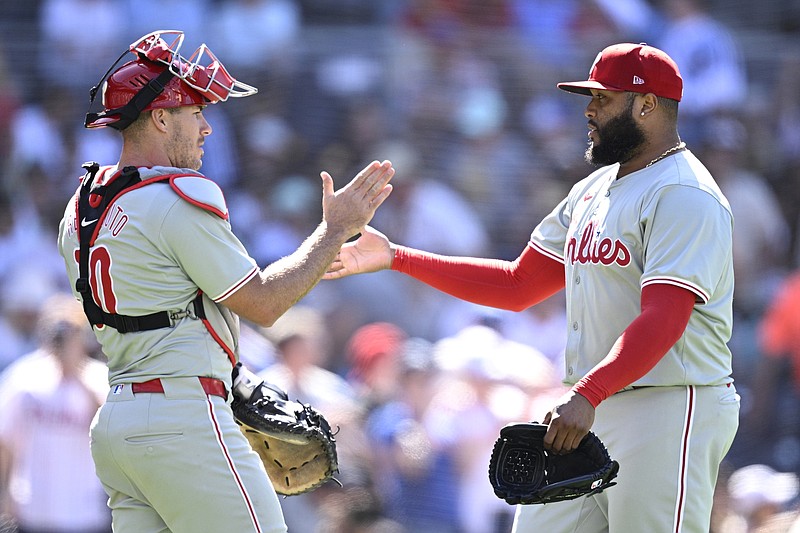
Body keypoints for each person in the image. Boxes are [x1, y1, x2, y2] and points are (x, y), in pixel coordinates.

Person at [325, 42, 739, 532]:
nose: (589, 109)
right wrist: (396, 257)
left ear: (647, 104)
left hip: (667, 404)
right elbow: (518, 284)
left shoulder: (683, 193)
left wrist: (588, 393)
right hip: (592, 405)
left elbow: (665, 317)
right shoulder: (594, 190)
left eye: (603, 98)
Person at [56, 30, 394, 533]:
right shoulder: (173, 199)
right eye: (196, 111)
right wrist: (334, 229)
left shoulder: (80, 209)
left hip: (119, 423)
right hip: (183, 419)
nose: (207, 127)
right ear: (161, 116)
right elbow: (264, 303)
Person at [0, 292, 111, 533]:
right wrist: (6, 491)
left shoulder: (98, 377)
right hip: (33, 509)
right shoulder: (24, 375)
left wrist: (74, 371)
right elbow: (4, 440)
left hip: (85, 510)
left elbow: (110, 429)